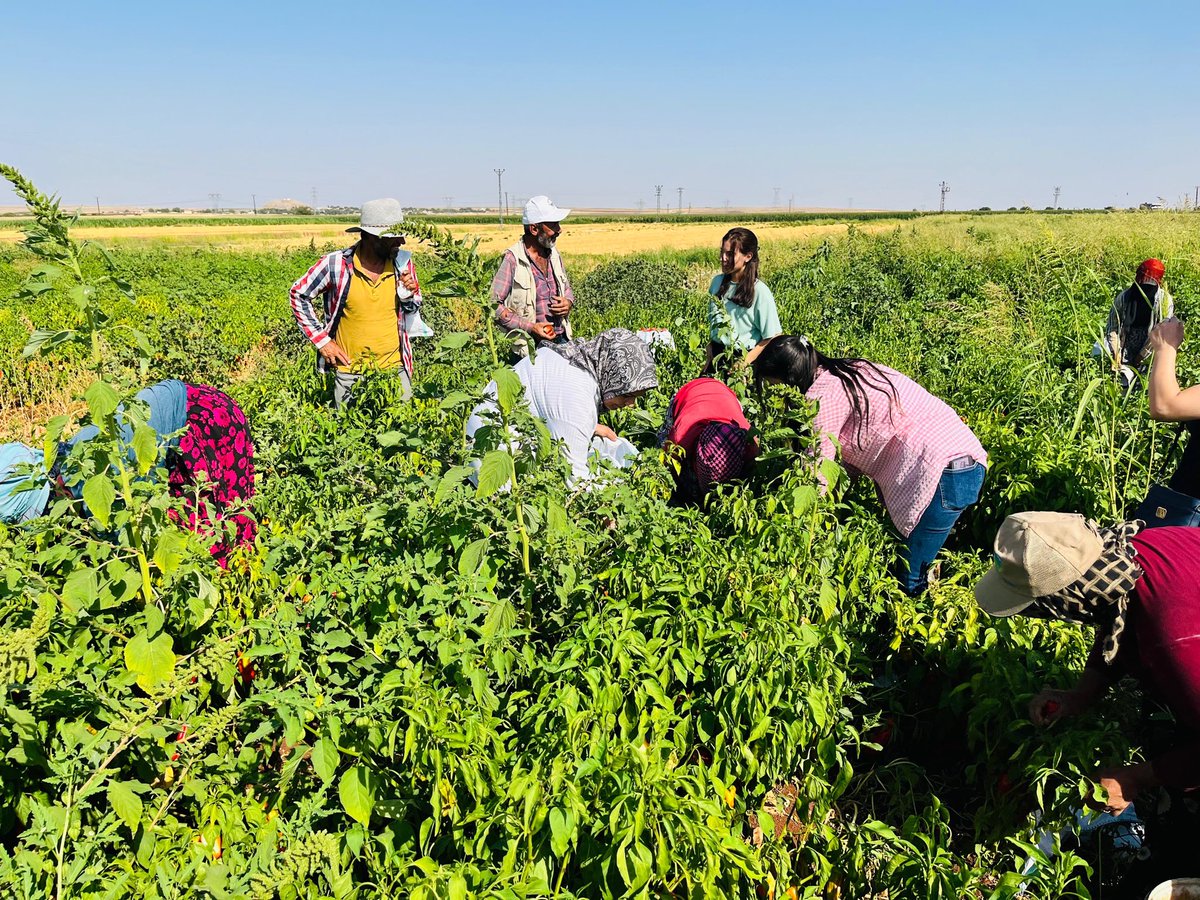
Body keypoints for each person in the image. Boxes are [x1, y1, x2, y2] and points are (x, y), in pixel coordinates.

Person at [974, 512, 1200, 820]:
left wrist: (1136, 778)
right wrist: (1082, 693)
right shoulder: (1125, 557)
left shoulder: (1173, 639)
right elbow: (1118, 619)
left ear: (1065, 597)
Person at [752, 335, 987, 594]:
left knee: (909, 579)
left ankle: (914, 624)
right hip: (966, 458)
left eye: (776, 386)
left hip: (941, 474)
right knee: (917, 553)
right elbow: (847, 455)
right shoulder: (853, 369)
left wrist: (793, 528)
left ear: (790, 380)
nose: (778, 396)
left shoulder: (822, 398)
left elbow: (817, 471)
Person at [0, 380, 256, 566]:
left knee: (210, 529)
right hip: (192, 411)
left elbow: (136, 528)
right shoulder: (72, 463)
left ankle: (238, 587)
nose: (52, 517)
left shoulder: (88, 480)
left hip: (203, 420)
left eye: (46, 511)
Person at [466, 329, 657, 486]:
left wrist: (591, 427)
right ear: (612, 375)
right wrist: (608, 516)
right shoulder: (576, 394)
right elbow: (574, 475)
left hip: (500, 430)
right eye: (627, 395)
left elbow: (549, 406)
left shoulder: (578, 357)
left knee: (602, 445)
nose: (630, 404)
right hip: (494, 454)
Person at [289, 198, 422, 407]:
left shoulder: (402, 263)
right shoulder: (335, 264)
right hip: (349, 372)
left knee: (402, 433)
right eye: (393, 238)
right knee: (349, 434)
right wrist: (323, 342)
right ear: (370, 237)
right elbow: (298, 294)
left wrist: (409, 294)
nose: (401, 242)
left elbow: (413, 309)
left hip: (395, 369)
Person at [491, 196, 575, 357]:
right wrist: (530, 327)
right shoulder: (512, 259)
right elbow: (493, 306)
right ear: (534, 229)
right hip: (528, 348)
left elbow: (567, 288)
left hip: (562, 340)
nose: (559, 229)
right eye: (553, 225)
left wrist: (568, 302)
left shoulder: (554, 254)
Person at [658, 378, 757, 505]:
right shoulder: (680, 438)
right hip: (689, 393)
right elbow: (668, 469)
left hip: (726, 395)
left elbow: (753, 470)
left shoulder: (750, 442)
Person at [704, 227, 781, 375]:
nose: (723, 258)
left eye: (730, 254)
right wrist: (710, 347)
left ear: (748, 256)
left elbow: (772, 336)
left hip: (744, 361)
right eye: (722, 252)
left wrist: (744, 362)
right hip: (717, 356)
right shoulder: (717, 283)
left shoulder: (759, 291)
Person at [1101, 258, 1173, 390]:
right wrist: (1116, 353)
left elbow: (1160, 333)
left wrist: (1141, 356)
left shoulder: (1164, 302)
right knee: (1118, 380)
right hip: (1125, 343)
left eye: (1151, 284)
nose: (1146, 288)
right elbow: (1113, 327)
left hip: (1149, 347)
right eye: (1143, 283)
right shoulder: (1124, 298)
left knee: (1145, 383)